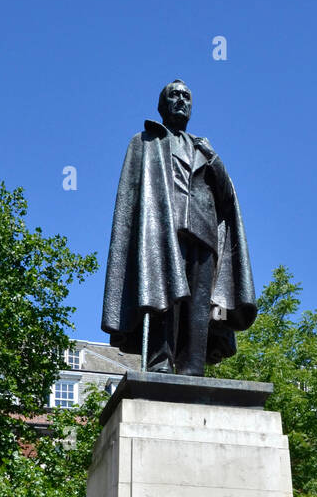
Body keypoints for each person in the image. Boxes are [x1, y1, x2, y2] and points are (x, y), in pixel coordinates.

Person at [101, 80, 256, 376]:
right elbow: (130, 198)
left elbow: (227, 198)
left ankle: (193, 366)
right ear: (162, 105)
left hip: (204, 232)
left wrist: (214, 158)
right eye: (174, 95)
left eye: (186, 96)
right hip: (161, 231)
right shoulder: (145, 142)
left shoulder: (203, 148)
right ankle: (161, 361)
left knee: (200, 305)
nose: (181, 101)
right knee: (164, 297)